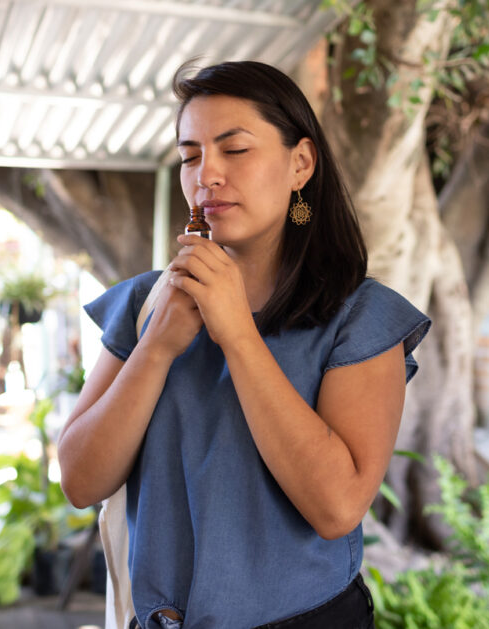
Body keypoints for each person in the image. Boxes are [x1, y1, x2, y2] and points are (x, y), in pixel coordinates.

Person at [57, 60, 431, 629]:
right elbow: (80, 481)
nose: (206, 175)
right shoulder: (143, 306)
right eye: (189, 155)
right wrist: (156, 348)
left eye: (235, 150)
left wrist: (236, 333)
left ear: (300, 163)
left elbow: (336, 507)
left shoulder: (359, 317)